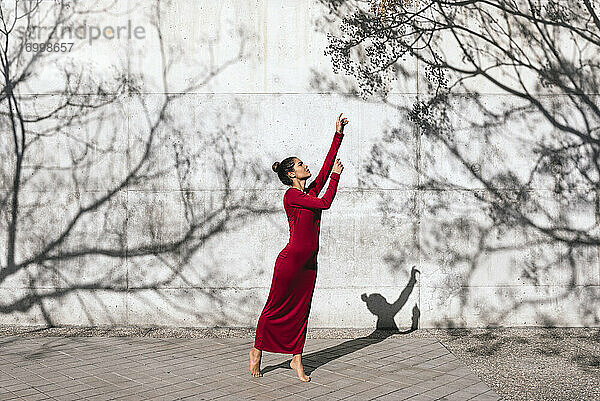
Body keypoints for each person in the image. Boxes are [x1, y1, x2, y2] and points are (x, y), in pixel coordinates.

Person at [249, 113, 349, 382]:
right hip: (290, 262)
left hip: (309, 264)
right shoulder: (293, 196)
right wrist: (337, 179)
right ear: (292, 173)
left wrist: (337, 134)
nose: (306, 166)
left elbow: (327, 166)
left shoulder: (309, 192)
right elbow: (326, 202)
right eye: (301, 164)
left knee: (301, 311)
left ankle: (296, 359)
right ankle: (257, 350)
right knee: (276, 307)